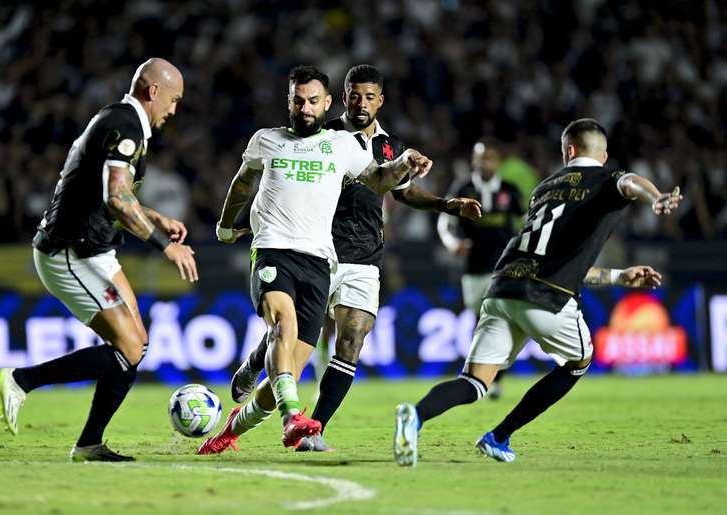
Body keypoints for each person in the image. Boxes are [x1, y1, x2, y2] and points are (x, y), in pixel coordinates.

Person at [393, 118, 682, 466]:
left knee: (474, 382)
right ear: (602, 156)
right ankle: (499, 436)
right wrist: (656, 197)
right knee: (578, 362)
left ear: (568, 152)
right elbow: (631, 181)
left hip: (502, 288)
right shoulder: (607, 179)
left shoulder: (543, 189)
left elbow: (563, 262)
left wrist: (620, 277)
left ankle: (416, 415)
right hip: (547, 296)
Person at [229, 64, 481, 452]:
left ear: (381, 100)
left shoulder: (390, 146)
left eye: (369, 97)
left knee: (352, 340)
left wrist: (447, 204)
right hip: (318, 251)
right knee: (289, 338)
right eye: (354, 95)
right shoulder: (321, 135)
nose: (361, 103)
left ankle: (314, 429)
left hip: (364, 258)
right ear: (342, 96)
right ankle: (256, 364)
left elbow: (402, 191)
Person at [0, 58, 198, 462]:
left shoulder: (123, 122)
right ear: (153, 91)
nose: (174, 111)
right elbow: (116, 198)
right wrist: (165, 245)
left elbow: (115, 193)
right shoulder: (125, 124)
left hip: (97, 248)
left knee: (135, 346)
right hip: (68, 249)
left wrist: (156, 217)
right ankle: (21, 379)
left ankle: (89, 443)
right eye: (174, 100)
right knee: (128, 347)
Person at [437, 138, 524, 399]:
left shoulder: (511, 190)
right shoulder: (463, 188)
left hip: (504, 268)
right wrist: (452, 243)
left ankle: (495, 379)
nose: (484, 162)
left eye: (489, 157)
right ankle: (481, 375)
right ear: (473, 160)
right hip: (473, 269)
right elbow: (444, 223)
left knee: (503, 321)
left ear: (498, 161)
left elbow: (525, 223)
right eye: (480, 157)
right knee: (480, 324)